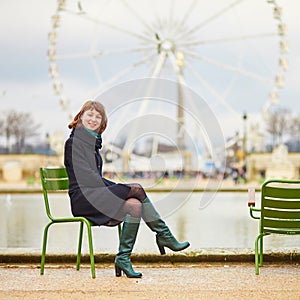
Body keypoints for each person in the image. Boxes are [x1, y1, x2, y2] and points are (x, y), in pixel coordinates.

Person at [64, 100, 190, 278]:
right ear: (80, 117)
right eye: (90, 115)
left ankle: (123, 258)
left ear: (102, 123)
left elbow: (96, 179)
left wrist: (118, 189)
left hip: (95, 195)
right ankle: (164, 234)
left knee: (134, 205)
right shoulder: (74, 143)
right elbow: (88, 178)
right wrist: (119, 188)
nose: (93, 119)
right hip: (83, 199)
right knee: (136, 189)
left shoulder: (92, 145)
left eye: (98, 117)